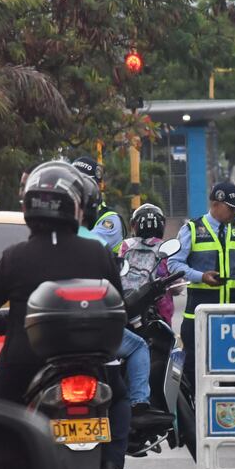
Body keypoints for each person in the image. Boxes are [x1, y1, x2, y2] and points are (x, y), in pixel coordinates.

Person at [0, 161, 134, 469]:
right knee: (119, 399)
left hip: (25, 361)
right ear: (75, 207)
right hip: (92, 362)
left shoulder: (14, 257)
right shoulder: (98, 253)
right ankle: (114, 466)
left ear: (29, 207)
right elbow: (121, 307)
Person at [75, 174, 153, 415]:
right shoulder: (96, 246)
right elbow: (116, 297)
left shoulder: (25, 250)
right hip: (95, 333)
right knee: (120, 398)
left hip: (48, 338)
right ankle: (139, 401)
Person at [167, 181, 235, 385]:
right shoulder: (192, 228)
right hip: (202, 313)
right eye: (231, 207)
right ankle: (196, 413)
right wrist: (201, 276)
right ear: (216, 204)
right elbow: (174, 263)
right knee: (196, 368)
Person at [120, 203, 179, 325]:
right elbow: (177, 286)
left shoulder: (126, 245)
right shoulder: (165, 247)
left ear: (134, 225)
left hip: (130, 304)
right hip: (159, 311)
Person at [72, 155, 125, 252]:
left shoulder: (110, 218)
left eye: (84, 183)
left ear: (98, 186)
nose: (77, 187)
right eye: (73, 182)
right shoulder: (65, 209)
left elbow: (88, 247)